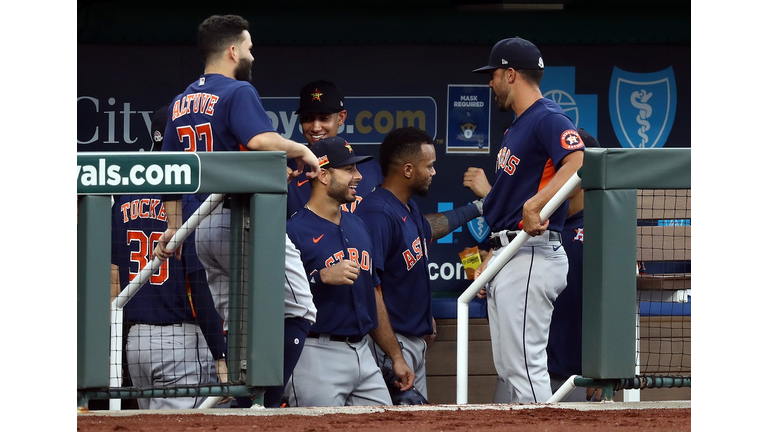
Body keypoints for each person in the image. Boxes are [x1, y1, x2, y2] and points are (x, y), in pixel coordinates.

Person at [152, 14, 320, 408]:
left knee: (239, 324)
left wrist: (175, 228)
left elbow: (170, 175)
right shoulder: (238, 91)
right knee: (299, 310)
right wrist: (301, 149)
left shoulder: (180, 102)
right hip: (240, 222)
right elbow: (261, 139)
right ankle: (261, 404)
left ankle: (245, 405)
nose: (251, 56)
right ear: (231, 50)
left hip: (202, 228)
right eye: (247, 47)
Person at [470, 37, 585, 403]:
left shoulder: (547, 116)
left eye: (493, 75)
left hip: (531, 251)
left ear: (510, 74)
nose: (490, 83)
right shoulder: (517, 127)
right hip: (510, 252)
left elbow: (579, 161)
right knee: (509, 370)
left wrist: (538, 203)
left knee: (524, 368)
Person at [464, 129, 602, 403]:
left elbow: (616, 302)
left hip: (576, 373)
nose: (552, 173)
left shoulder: (603, 226)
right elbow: (508, 250)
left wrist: (604, 365)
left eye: (560, 165)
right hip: (521, 365)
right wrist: (488, 273)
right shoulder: (535, 228)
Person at [285, 136, 415, 407]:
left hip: (363, 352)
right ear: (323, 175)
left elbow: (372, 294)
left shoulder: (358, 225)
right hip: (315, 353)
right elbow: (270, 298)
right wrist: (319, 278)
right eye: (348, 170)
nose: (357, 176)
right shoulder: (292, 232)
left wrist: (396, 356)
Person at [355, 126, 484, 400]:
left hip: (412, 341)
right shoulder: (376, 213)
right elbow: (370, 289)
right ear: (408, 170)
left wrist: (477, 209)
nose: (434, 172)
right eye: (430, 166)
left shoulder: (406, 206)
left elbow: (430, 227)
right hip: (391, 344)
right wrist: (394, 354)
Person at [111, 129, 227, 410]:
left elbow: (112, 276)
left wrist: (114, 351)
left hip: (134, 340)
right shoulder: (189, 203)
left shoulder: (126, 197)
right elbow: (200, 288)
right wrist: (220, 356)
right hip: (179, 341)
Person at [287, 80, 384, 217]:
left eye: (324, 118)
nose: (316, 127)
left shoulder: (370, 169)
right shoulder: (290, 175)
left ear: (341, 117)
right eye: (308, 118)